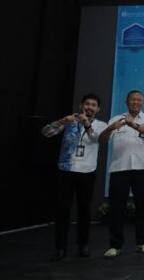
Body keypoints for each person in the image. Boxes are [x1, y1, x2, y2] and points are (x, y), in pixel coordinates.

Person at [41, 93, 108, 261]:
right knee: (62, 210)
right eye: (87, 104)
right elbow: (46, 132)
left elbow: (97, 139)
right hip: (66, 170)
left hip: (87, 171)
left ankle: (83, 245)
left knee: (84, 210)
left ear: (98, 109)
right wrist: (61, 122)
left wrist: (87, 125)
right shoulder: (69, 121)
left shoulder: (101, 125)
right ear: (81, 106)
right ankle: (60, 247)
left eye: (93, 105)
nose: (90, 107)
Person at [99, 90, 144, 259]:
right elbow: (102, 140)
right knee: (116, 207)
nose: (136, 102)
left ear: (143, 102)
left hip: (142, 167)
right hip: (119, 168)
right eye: (132, 100)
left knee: (142, 206)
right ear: (126, 102)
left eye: (139, 100)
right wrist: (111, 128)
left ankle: (142, 243)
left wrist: (133, 124)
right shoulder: (115, 119)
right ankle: (115, 245)